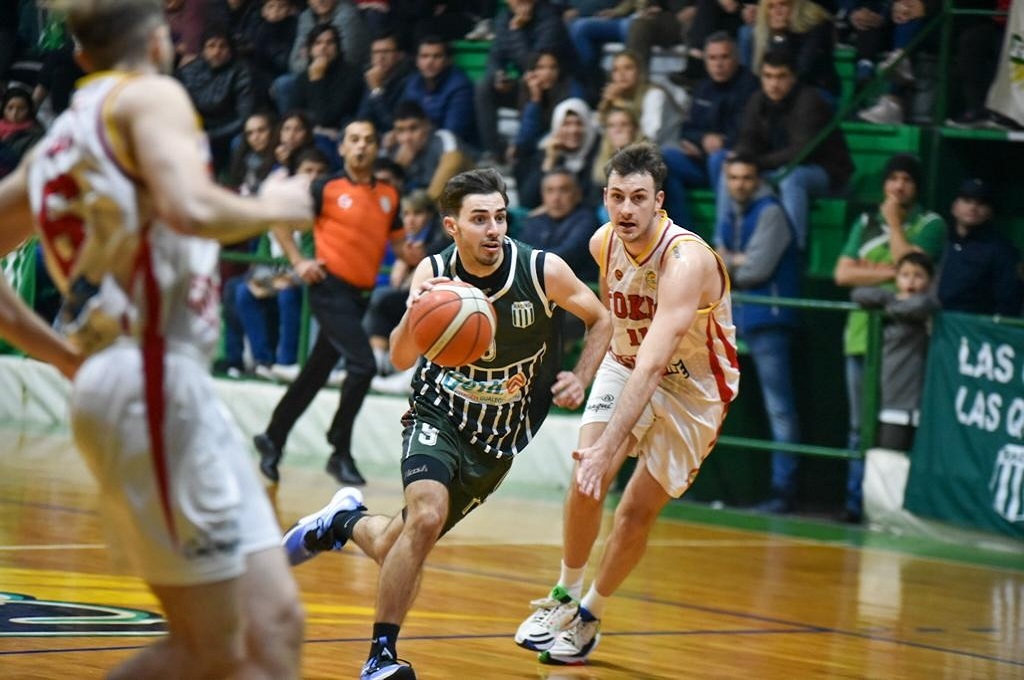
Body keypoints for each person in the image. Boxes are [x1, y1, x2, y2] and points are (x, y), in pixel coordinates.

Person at [0, 1, 314, 676]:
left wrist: (59, 357)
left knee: (275, 629)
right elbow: (190, 206)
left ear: (80, 58)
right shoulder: (151, 95)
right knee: (211, 650)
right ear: (162, 41)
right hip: (146, 378)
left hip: (162, 380)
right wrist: (277, 207)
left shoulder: (53, 145)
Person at [278, 167, 611, 680]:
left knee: (400, 542)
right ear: (453, 226)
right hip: (438, 414)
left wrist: (580, 376)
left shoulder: (541, 270)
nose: (494, 229)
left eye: (500, 217)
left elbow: (601, 318)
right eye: (480, 219)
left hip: (501, 436)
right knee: (427, 517)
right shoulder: (433, 272)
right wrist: (416, 313)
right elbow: (399, 357)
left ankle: (339, 522)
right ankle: (380, 658)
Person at [515, 142, 740, 665]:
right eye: (617, 197)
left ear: (659, 201)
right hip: (625, 361)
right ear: (605, 198)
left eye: (638, 198)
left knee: (635, 510)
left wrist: (609, 446)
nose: (626, 210)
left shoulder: (686, 260)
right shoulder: (603, 242)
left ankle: (590, 615)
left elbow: (656, 365)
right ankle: (564, 595)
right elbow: (615, 319)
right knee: (585, 476)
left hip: (693, 389)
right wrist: (584, 373)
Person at [253, 119, 415, 487]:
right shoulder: (324, 187)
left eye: (369, 141)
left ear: (377, 149)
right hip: (328, 289)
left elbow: (401, 246)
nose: (361, 146)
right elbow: (279, 221)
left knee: (315, 374)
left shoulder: (390, 195)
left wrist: (414, 255)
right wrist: (298, 260)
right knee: (362, 366)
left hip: (360, 296)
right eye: (354, 140)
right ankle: (339, 448)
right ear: (342, 148)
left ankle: (272, 438)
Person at [834, 152, 945, 523]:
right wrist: (892, 272)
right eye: (893, 178)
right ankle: (854, 504)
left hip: (904, 349)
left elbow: (913, 271)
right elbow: (843, 275)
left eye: (907, 180)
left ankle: (884, 508)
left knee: (893, 428)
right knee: (857, 428)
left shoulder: (931, 225)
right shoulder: (864, 221)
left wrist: (895, 226)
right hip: (862, 340)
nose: (899, 186)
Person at [715, 154, 801, 513]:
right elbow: (720, 260)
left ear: (759, 179)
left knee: (779, 408)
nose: (740, 184)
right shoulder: (732, 213)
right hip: (741, 319)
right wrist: (734, 260)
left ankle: (784, 492)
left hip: (770, 319)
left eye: (747, 176)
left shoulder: (771, 212)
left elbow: (754, 269)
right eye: (733, 177)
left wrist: (731, 260)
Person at [728, 48, 853, 250]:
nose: (774, 83)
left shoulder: (810, 100)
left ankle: (793, 250)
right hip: (776, 166)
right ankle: (727, 243)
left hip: (826, 172)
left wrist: (756, 164)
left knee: (791, 179)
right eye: (768, 76)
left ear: (793, 77)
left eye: (781, 77)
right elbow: (748, 137)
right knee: (732, 168)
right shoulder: (757, 99)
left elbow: (801, 152)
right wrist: (742, 159)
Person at [851, 251, 939, 451]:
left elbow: (919, 305)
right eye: (905, 275)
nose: (911, 281)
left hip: (914, 404)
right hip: (888, 400)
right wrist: (893, 297)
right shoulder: (892, 299)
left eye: (918, 275)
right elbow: (859, 294)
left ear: (930, 281)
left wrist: (890, 306)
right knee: (884, 460)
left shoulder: (928, 305)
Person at [937, 178, 1024, 316]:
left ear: (990, 212)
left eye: (981, 203)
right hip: (937, 324)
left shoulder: (1001, 250)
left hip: (976, 330)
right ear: (954, 207)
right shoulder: (942, 242)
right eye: (967, 200)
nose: (973, 207)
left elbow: (1008, 302)